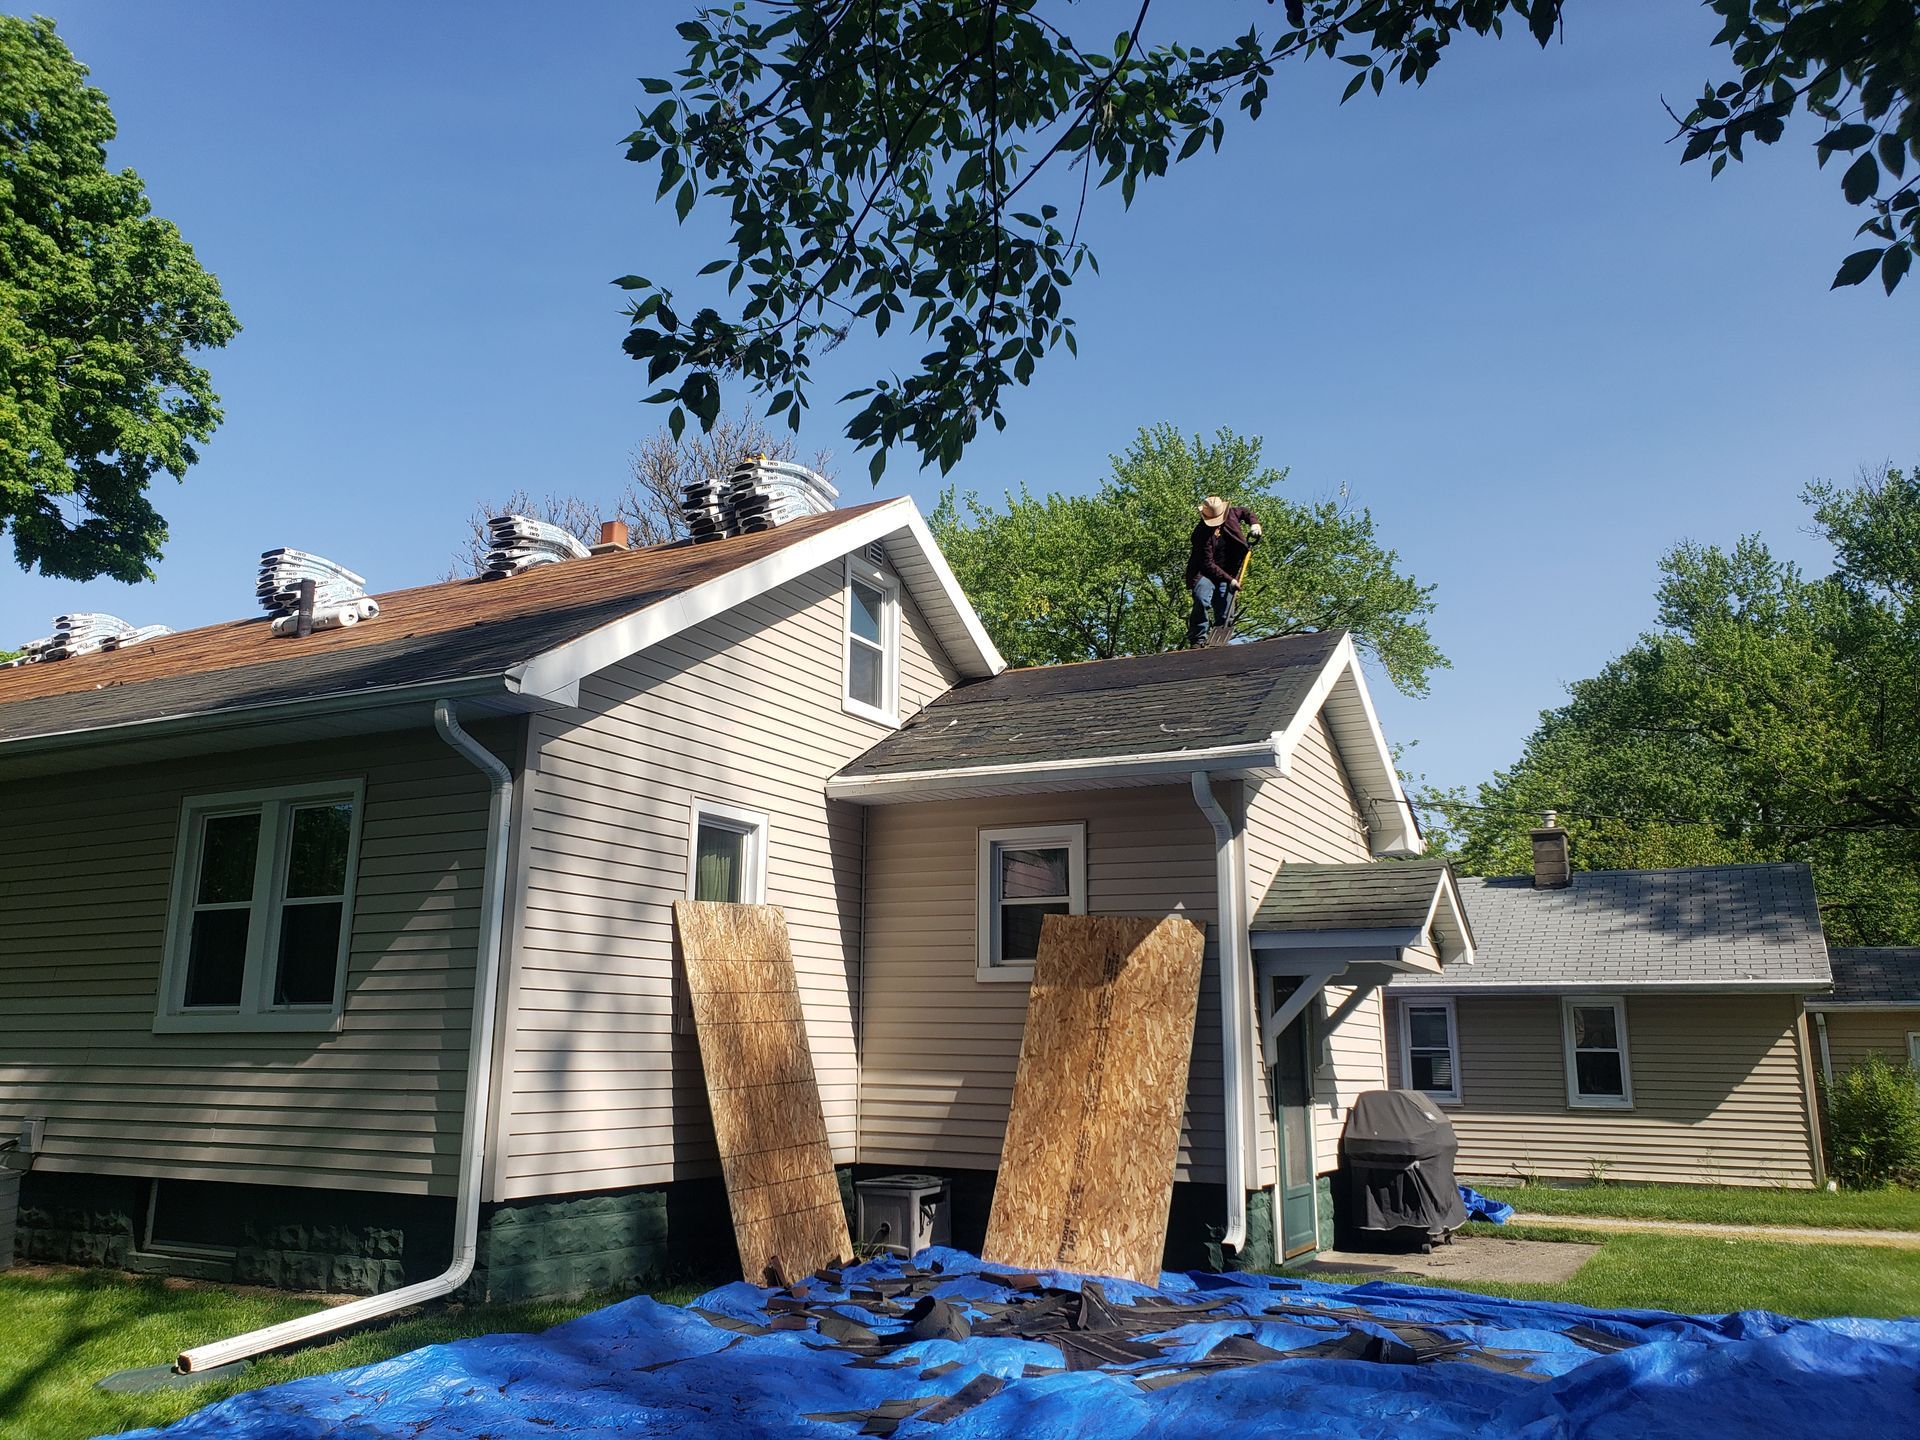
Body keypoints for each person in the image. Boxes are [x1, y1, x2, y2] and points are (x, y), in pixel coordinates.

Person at [1185, 496, 1261, 646]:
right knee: (1201, 599)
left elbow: (1245, 512)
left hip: (1229, 571)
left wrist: (1254, 523)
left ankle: (1219, 641)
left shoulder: (1232, 514)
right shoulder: (1200, 534)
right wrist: (1230, 580)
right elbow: (1207, 564)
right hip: (1204, 573)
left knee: (1226, 610)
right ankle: (1198, 638)